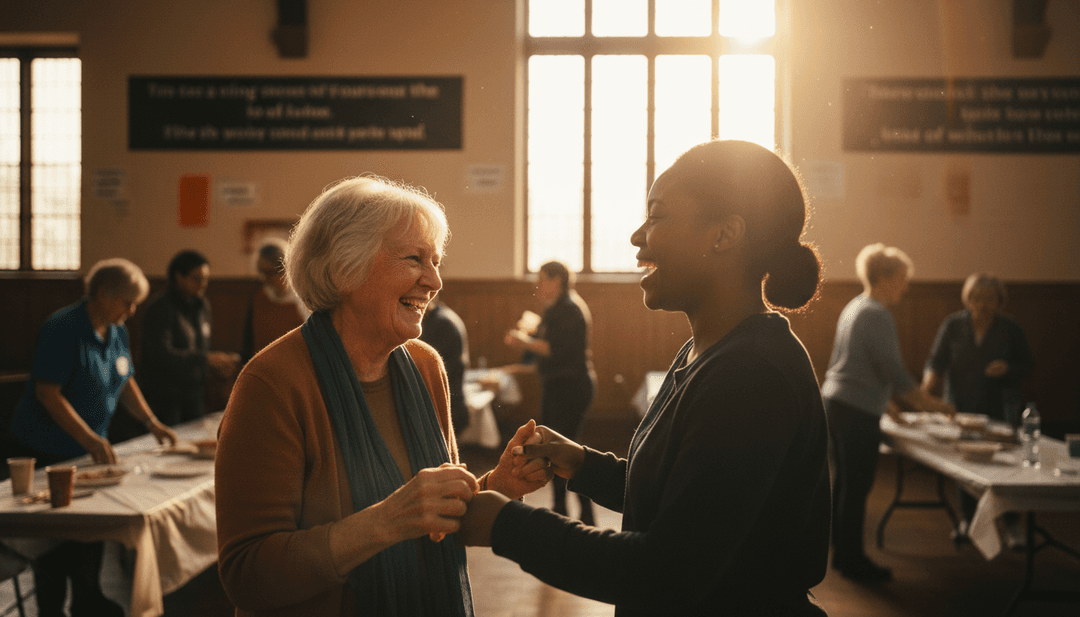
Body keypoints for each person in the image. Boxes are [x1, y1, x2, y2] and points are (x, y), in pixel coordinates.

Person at [460, 140, 833, 616]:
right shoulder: (711, 350)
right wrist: (582, 463)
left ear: (724, 235)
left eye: (657, 216)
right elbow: (687, 498)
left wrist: (505, 524)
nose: (638, 236)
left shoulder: (751, 374)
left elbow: (667, 570)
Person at [214, 175, 551, 617]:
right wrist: (386, 521)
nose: (435, 281)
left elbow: (435, 518)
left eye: (436, 261)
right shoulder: (272, 384)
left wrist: (498, 487)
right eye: (414, 259)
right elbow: (248, 575)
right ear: (343, 269)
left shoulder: (426, 366)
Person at [5, 258, 177, 617]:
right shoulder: (62, 327)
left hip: (86, 449)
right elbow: (48, 393)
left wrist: (152, 423)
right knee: (55, 537)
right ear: (102, 294)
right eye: (127, 302)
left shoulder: (117, 331)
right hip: (47, 448)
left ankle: (88, 598)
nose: (132, 310)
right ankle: (51, 609)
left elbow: (125, 381)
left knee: (91, 525)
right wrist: (88, 439)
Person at [820, 243, 955, 584]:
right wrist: (937, 406)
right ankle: (852, 561)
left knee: (846, 485)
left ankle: (841, 553)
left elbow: (860, 367)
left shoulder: (855, 306)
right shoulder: (876, 314)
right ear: (884, 278)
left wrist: (890, 408)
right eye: (902, 278)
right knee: (856, 487)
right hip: (855, 410)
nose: (905, 287)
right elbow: (894, 372)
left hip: (837, 403)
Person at [922, 272, 1033, 538]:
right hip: (961, 406)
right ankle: (969, 521)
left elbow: (1027, 364)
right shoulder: (953, 325)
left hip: (1000, 407)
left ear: (999, 301)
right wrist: (924, 394)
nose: (983, 304)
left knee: (1006, 465)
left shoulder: (1010, 328)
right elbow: (936, 361)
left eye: (990, 299)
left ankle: (1012, 523)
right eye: (977, 298)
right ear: (968, 299)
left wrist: (1007, 368)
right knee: (967, 465)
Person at [503, 260, 597, 524]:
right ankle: (562, 510)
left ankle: (577, 513)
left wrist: (524, 341)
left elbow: (553, 349)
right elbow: (544, 348)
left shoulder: (569, 308)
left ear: (556, 281)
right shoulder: (554, 307)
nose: (538, 285)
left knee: (565, 451)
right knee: (554, 449)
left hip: (572, 387)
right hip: (557, 386)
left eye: (542, 279)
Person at [140, 249, 239, 426]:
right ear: (179, 277)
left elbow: (203, 345)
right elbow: (161, 354)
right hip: (165, 397)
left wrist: (218, 364)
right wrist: (206, 359)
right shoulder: (160, 308)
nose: (203, 284)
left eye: (206, 279)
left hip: (195, 393)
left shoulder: (202, 305)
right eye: (197, 279)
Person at [240, 238, 309, 364]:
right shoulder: (260, 298)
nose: (267, 279)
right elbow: (249, 340)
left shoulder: (303, 300)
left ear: (285, 269)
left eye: (270, 272)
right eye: (263, 272)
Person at [419, 298, 470, 434]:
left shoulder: (440, 323)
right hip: (448, 405)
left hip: (445, 409)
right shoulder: (442, 316)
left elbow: (425, 371)